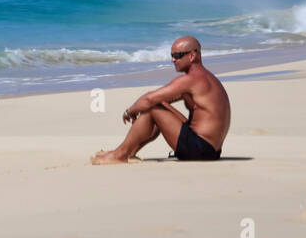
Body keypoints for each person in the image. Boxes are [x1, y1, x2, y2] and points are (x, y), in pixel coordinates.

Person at [90, 35, 230, 164]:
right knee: (157, 105)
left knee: (152, 107)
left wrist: (129, 111)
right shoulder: (207, 78)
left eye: (177, 55)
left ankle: (119, 155)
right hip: (211, 150)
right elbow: (159, 99)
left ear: (192, 55)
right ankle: (129, 152)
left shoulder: (191, 80)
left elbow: (149, 99)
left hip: (199, 150)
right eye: (172, 55)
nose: (173, 59)